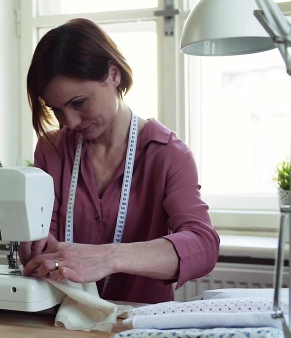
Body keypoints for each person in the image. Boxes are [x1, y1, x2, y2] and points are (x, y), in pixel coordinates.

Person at [18, 18, 220, 304]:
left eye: (79, 103)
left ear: (113, 75)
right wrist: (35, 242)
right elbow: (43, 231)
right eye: (57, 110)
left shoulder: (168, 154)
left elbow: (204, 245)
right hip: (62, 322)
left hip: (138, 325)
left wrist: (107, 258)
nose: (70, 122)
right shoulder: (52, 150)